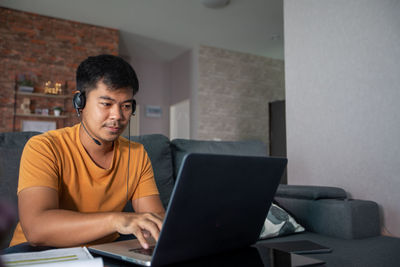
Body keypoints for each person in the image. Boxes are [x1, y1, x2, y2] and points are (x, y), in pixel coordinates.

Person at [8, 55, 165, 251]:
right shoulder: (43, 147)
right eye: (106, 104)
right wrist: (117, 221)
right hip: (37, 252)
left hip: (103, 252)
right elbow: (37, 229)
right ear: (79, 102)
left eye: (126, 106)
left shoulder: (137, 154)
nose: (118, 116)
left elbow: (155, 219)